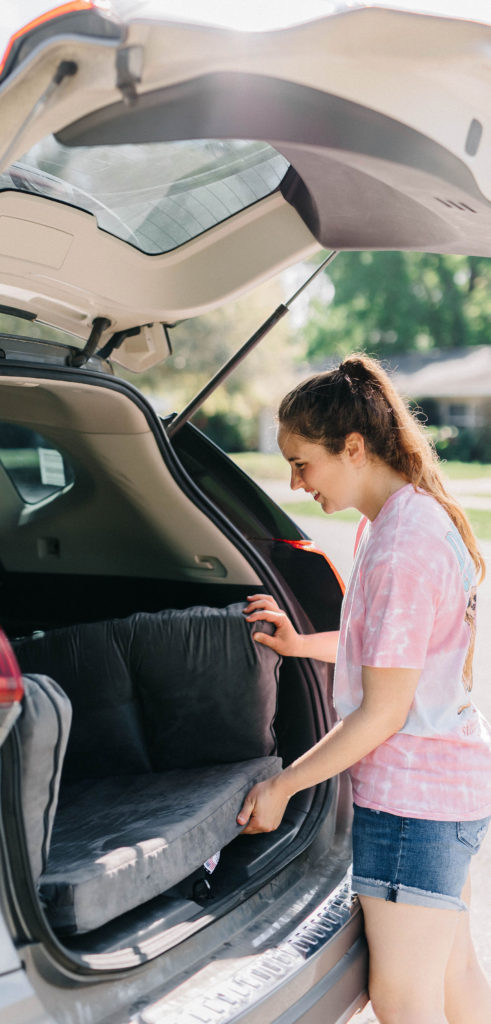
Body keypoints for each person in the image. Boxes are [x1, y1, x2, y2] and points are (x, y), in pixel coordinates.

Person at [237, 354, 491, 1024]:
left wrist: (282, 785)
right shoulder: (401, 518)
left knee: (403, 999)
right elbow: (387, 656)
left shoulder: (403, 545)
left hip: (414, 806)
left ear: (352, 448)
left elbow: (382, 713)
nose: (294, 484)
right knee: (452, 971)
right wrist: (301, 645)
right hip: (446, 785)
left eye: (302, 463)